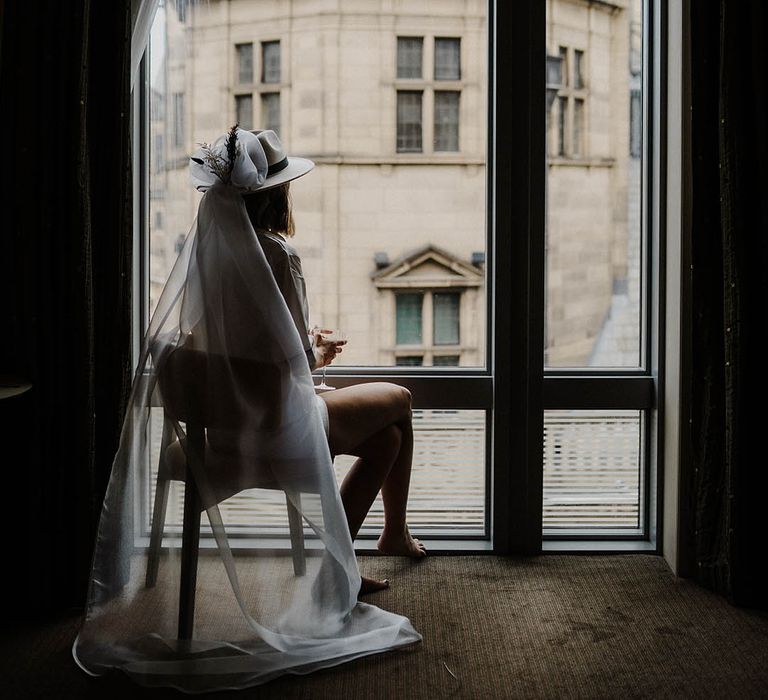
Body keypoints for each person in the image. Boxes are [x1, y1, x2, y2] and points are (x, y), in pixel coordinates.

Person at [242, 129, 426, 595]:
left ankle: (373, 544)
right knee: (401, 400)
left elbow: (235, 346)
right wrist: (317, 350)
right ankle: (392, 534)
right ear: (278, 194)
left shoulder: (207, 259)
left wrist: (301, 344)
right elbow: (295, 363)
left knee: (387, 439)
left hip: (225, 423)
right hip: (277, 423)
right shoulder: (278, 254)